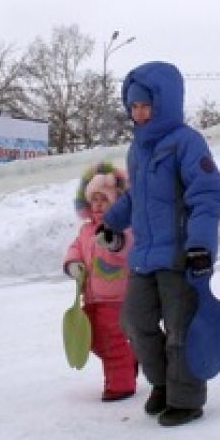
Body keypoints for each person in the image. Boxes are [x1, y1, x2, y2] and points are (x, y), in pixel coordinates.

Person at [98, 61, 220, 428]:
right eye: (133, 106)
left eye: (145, 105)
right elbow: (136, 197)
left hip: (180, 256)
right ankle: (161, 384)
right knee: (135, 323)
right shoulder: (137, 149)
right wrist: (112, 222)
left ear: (164, 104)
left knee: (180, 330)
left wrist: (200, 245)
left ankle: (185, 398)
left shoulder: (187, 142)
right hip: (143, 257)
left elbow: (208, 196)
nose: (138, 113)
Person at [63, 162, 137, 402]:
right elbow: (75, 248)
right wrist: (73, 263)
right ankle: (131, 358)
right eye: (94, 200)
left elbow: (126, 246)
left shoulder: (123, 228)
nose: (97, 205)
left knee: (112, 341)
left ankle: (120, 384)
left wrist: (113, 242)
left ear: (117, 202)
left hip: (116, 298)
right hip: (91, 297)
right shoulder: (86, 231)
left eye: (103, 199)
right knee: (92, 338)